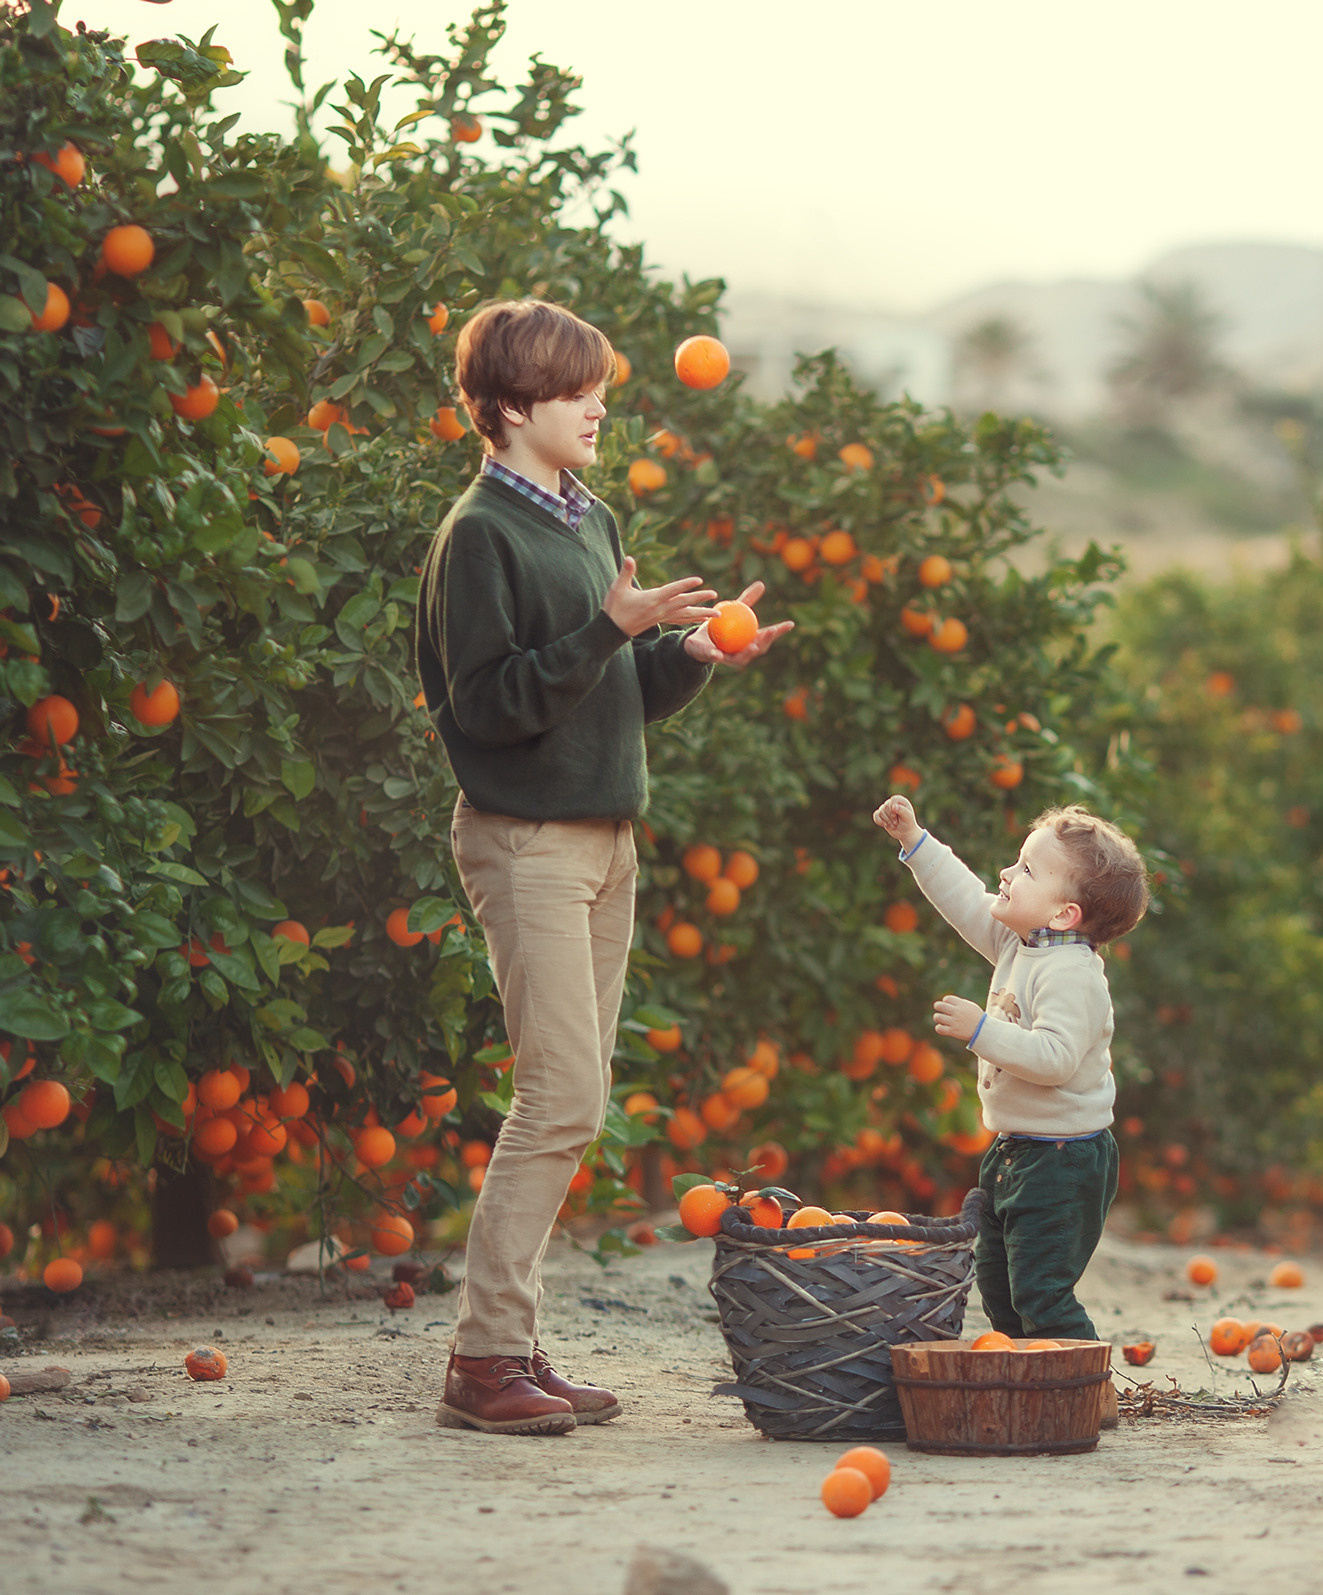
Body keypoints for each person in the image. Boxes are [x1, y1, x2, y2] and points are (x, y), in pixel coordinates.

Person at [415, 299, 789, 1435]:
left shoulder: (587, 516)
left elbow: (609, 698)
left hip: (602, 837)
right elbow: (482, 709)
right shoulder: (478, 535)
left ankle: (512, 1343)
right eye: (578, 392)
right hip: (525, 839)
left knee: (572, 1103)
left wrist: (691, 652)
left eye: (602, 391)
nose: (598, 407)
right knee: (560, 1095)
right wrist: (606, 629)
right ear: (513, 404)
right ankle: (483, 1361)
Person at [870, 795, 1149, 1342]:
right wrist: (915, 841)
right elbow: (966, 900)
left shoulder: (1073, 974)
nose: (1005, 873)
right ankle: (1028, 1387)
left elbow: (1055, 1059)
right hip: (1016, 1151)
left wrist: (982, 1032)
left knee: (1041, 1291)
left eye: (1025, 870)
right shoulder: (1022, 942)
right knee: (999, 1286)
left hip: (1064, 1162)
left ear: (1063, 914)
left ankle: (1084, 1389)